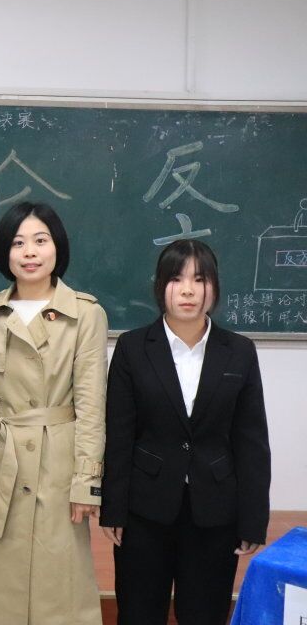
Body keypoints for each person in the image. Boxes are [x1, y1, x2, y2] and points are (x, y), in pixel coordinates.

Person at [101, 240, 270, 625]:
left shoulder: (239, 351)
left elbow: (251, 441)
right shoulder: (133, 348)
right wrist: (113, 508)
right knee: (139, 613)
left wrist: (253, 518)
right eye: (177, 279)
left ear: (215, 287)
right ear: (160, 285)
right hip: (144, 510)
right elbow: (120, 433)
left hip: (216, 511)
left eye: (200, 279)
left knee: (205, 614)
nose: (189, 290)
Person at [0, 201, 107, 625]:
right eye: (18, 243)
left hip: (55, 465)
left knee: (56, 589)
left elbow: (91, 405)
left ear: (58, 247)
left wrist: (87, 481)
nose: (30, 252)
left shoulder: (86, 313)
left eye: (41, 240)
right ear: (5, 252)